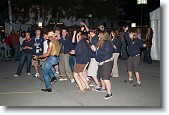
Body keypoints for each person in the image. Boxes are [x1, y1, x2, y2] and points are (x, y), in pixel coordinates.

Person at [91, 31, 114, 99]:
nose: (98, 36)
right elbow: (98, 53)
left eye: (99, 35)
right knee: (101, 77)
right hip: (101, 62)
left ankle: (109, 93)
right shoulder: (101, 42)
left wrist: (96, 50)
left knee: (106, 78)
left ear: (103, 36)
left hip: (107, 62)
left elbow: (105, 52)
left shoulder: (107, 43)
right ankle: (103, 88)